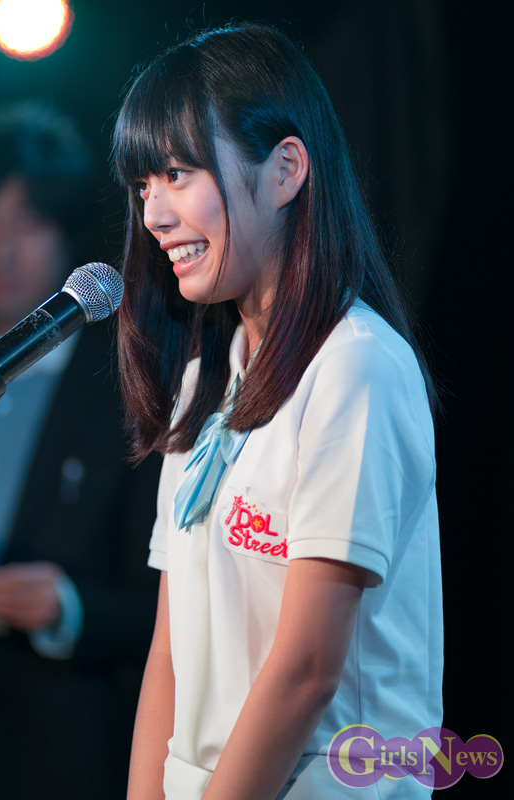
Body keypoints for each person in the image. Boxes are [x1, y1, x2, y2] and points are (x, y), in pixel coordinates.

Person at [112, 22, 443, 800]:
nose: (153, 214)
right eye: (142, 185)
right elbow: (170, 652)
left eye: (176, 172)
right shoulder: (206, 381)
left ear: (285, 169)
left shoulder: (354, 365)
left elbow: (306, 669)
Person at [0, 100, 161, 800]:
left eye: (27, 224)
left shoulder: (125, 389)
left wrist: (68, 608)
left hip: (58, 744)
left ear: (65, 235)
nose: (2, 249)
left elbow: (165, 606)